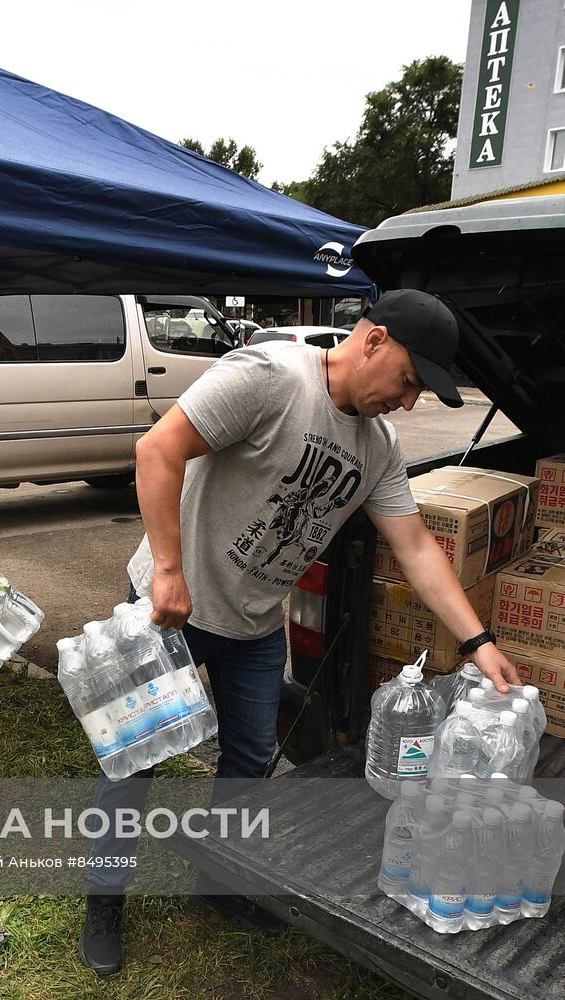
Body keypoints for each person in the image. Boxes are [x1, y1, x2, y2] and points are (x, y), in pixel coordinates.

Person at [77, 289, 520, 977]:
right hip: (171, 606)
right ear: (371, 339)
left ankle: (218, 882)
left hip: (254, 626)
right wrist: (166, 568)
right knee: (133, 760)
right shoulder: (269, 378)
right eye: (407, 380)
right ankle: (103, 898)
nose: (406, 401)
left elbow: (415, 547)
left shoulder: (375, 446)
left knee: (250, 762)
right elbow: (157, 450)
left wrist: (477, 641)